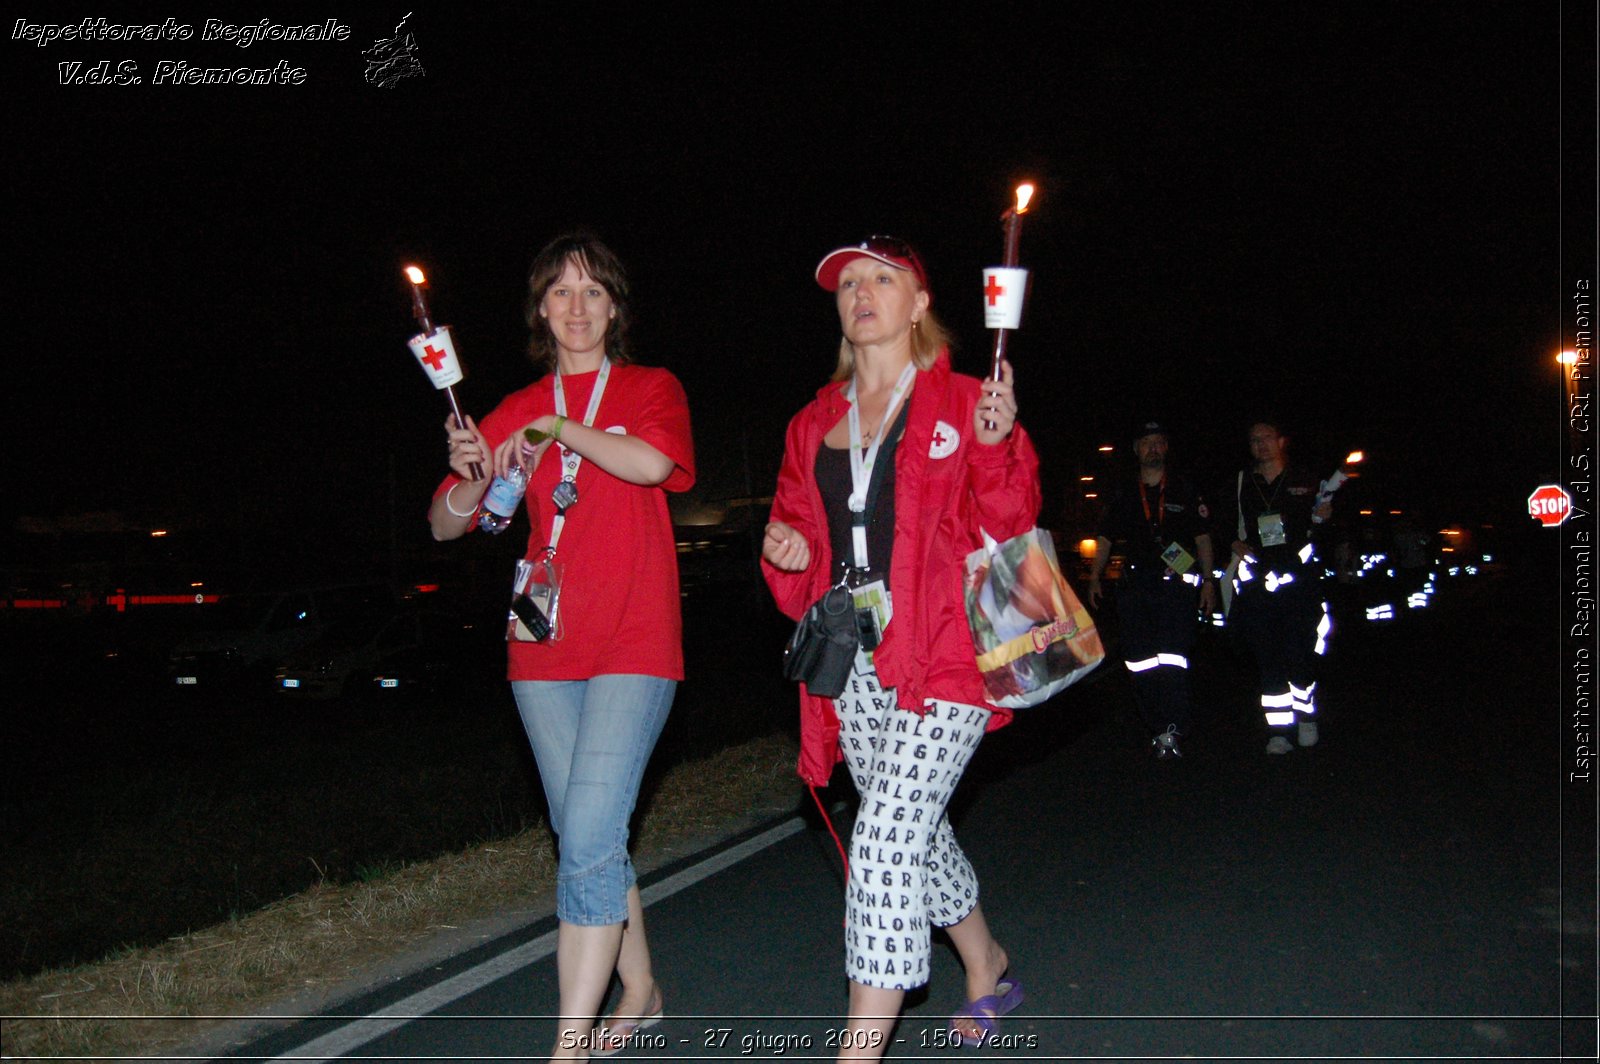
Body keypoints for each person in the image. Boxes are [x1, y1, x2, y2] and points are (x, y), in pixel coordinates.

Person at [761, 236, 1040, 1058]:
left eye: (882, 279)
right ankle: (985, 960)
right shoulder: (812, 422)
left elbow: (1010, 526)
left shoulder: (962, 400)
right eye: (849, 283)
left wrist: (998, 442)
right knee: (914, 828)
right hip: (857, 662)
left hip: (948, 655)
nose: (862, 293)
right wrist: (788, 553)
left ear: (919, 303)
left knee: (883, 839)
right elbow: (800, 541)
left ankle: (858, 1051)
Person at [429, 233, 694, 1060]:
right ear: (541, 309)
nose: (576, 307)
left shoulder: (651, 387)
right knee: (591, 831)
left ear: (614, 307)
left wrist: (558, 430)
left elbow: (650, 465)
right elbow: (446, 524)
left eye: (592, 292)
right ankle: (641, 988)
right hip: (541, 646)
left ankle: (567, 1045)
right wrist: (473, 471)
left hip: (635, 638)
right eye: (559, 293)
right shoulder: (512, 405)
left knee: (585, 834)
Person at [1086, 420, 1216, 759]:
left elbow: (1202, 538)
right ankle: (1157, 725)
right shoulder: (1123, 491)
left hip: (1175, 588)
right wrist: (1096, 575)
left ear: (1167, 447)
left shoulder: (1185, 488)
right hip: (1135, 588)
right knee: (1139, 661)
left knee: (1173, 658)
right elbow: (1105, 537)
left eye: (1159, 442)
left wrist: (1208, 581)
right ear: (1136, 450)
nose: (1153, 448)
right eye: (1146, 443)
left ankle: (1173, 728)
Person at [1224, 420, 1331, 755]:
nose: (1261, 445)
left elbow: (1329, 527)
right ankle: (1279, 731)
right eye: (1254, 440)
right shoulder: (1243, 481)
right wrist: (1233, 542)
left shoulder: (1306, 479)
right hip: (1258, 581)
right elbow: (1224, 523)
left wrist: (1327, 518)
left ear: (1282, 441)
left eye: (1267, 438)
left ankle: (1306, 715)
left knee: (1299, 652)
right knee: (1267, 656)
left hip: (1299, 581)